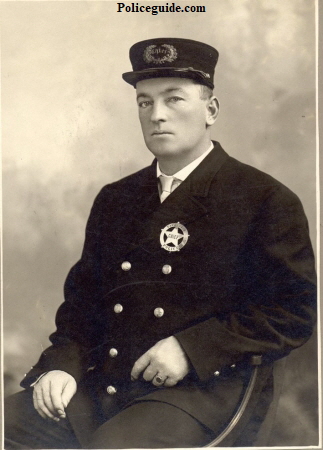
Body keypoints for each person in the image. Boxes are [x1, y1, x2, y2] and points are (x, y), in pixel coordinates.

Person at [5, 37, 316, 449]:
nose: (157, 115)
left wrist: (190, 349)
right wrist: (61, 367)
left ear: (211, 110)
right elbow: (83, 307)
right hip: (107, 380)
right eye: (144, 102)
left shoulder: (263, 198)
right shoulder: (116, 199)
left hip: (205, 390)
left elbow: (292, 312)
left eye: (174, 99)